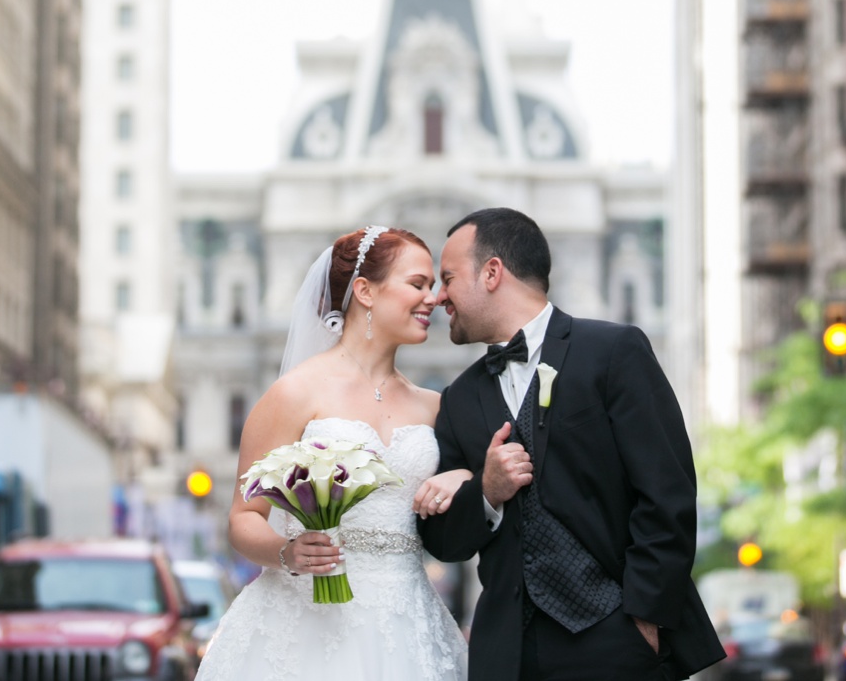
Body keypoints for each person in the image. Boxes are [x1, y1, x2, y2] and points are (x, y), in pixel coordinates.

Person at [419, 207, 726, 681]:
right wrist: (486, 492)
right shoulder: (458, 400)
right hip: (509, 655)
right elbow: (443, 542)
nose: (440, 297)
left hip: (618, 639)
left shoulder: (613, 352)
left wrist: (644, 619)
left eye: (449, 278)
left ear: (493, 273)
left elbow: (668, 493)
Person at [196, 225, 468, 681]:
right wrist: (288, 552)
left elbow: (466, 497)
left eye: (434, 286)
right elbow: (243, 518)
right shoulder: (294, 394)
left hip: (408, 623)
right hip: (306, 625)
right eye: (418, 284)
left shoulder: (435, 407)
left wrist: (462, 479)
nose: (434, 299)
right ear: (364, 291)